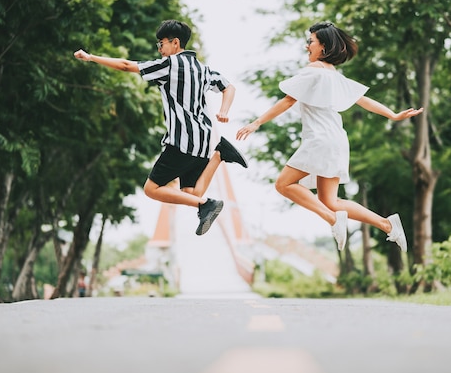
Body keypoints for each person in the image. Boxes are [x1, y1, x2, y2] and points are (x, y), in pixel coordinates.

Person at [236, 22, 423, 252]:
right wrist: (392, 115)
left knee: (284, 184)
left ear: (323, 47)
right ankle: (386, 224)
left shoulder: (313, 71)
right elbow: (363, 100)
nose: (307, 46)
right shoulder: (334, 75)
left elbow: (288, 100)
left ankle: (333, 220)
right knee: (330, 201)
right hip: (336, 141)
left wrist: (256, 123)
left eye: (311, 42)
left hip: (320, 140)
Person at [74, 20, 247, 235]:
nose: (160, 50)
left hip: (182, 141)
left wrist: (91, 58)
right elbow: (229, 88)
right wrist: (224, 111)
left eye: (161, 44)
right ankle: (219, 154)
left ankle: (208, 202)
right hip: (204, 140)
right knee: (191, 194)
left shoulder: (169, 65)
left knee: (152, 189)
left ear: (175, 43)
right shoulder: (203, 70)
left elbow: (127, 65)